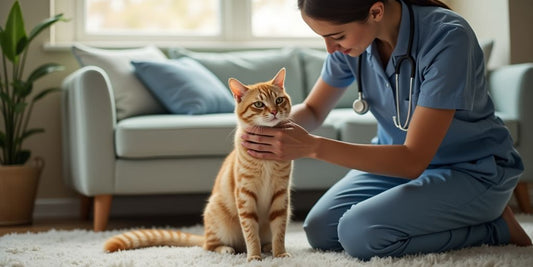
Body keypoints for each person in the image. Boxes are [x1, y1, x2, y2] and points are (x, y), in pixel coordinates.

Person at [239, 0, 532, 260]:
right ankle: (456, 214)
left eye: (336, 36)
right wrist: (261, 129)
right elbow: (314, 111)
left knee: (360, 234)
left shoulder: (447, 37)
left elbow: (413, 159)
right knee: (321, 229)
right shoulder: (351, 46)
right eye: (324, 38)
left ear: (376, 10)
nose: (330, 49)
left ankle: (494, 227)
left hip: (471, 169)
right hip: (393, 165)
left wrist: (313, 147)